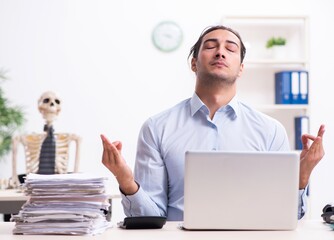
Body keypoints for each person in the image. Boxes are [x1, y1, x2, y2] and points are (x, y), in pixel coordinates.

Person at [100, 25, 325, 221]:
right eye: (210, 46)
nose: (220, 52)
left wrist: (301, 176)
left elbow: (284, 215)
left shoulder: (271, 130)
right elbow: (150, 218)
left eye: (230, 48)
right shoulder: (156, 128)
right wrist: (126, 181)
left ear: (241, 69)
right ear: (194, 64)